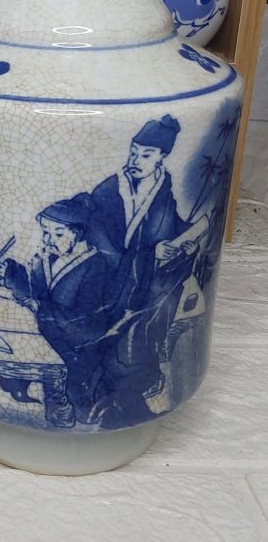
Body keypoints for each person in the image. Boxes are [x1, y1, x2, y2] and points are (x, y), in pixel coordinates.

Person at [88, 115, 202, 427]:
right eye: (134, 152)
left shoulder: (162, 188)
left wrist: (186, 239)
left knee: (158, 305)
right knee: (120, 335)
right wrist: (149, 254)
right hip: (112, 280)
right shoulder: (110, 190)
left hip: (143, 281)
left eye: (146, 155)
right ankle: (114, 399)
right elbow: (98, 236)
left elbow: (170, 224)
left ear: (161, 157)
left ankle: (127, 396)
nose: (136, 160)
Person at [0, 193, 111, 423]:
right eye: (45, 232)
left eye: (58, 234)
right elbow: (34, 292)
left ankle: (62, 407)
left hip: (76, 343)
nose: (48, 240)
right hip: (44, 333)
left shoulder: (94, 265)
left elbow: (86, 320)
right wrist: (11, 273)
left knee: (70, 394)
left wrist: (41, 308)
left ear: (77, 234)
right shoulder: (46, 257)